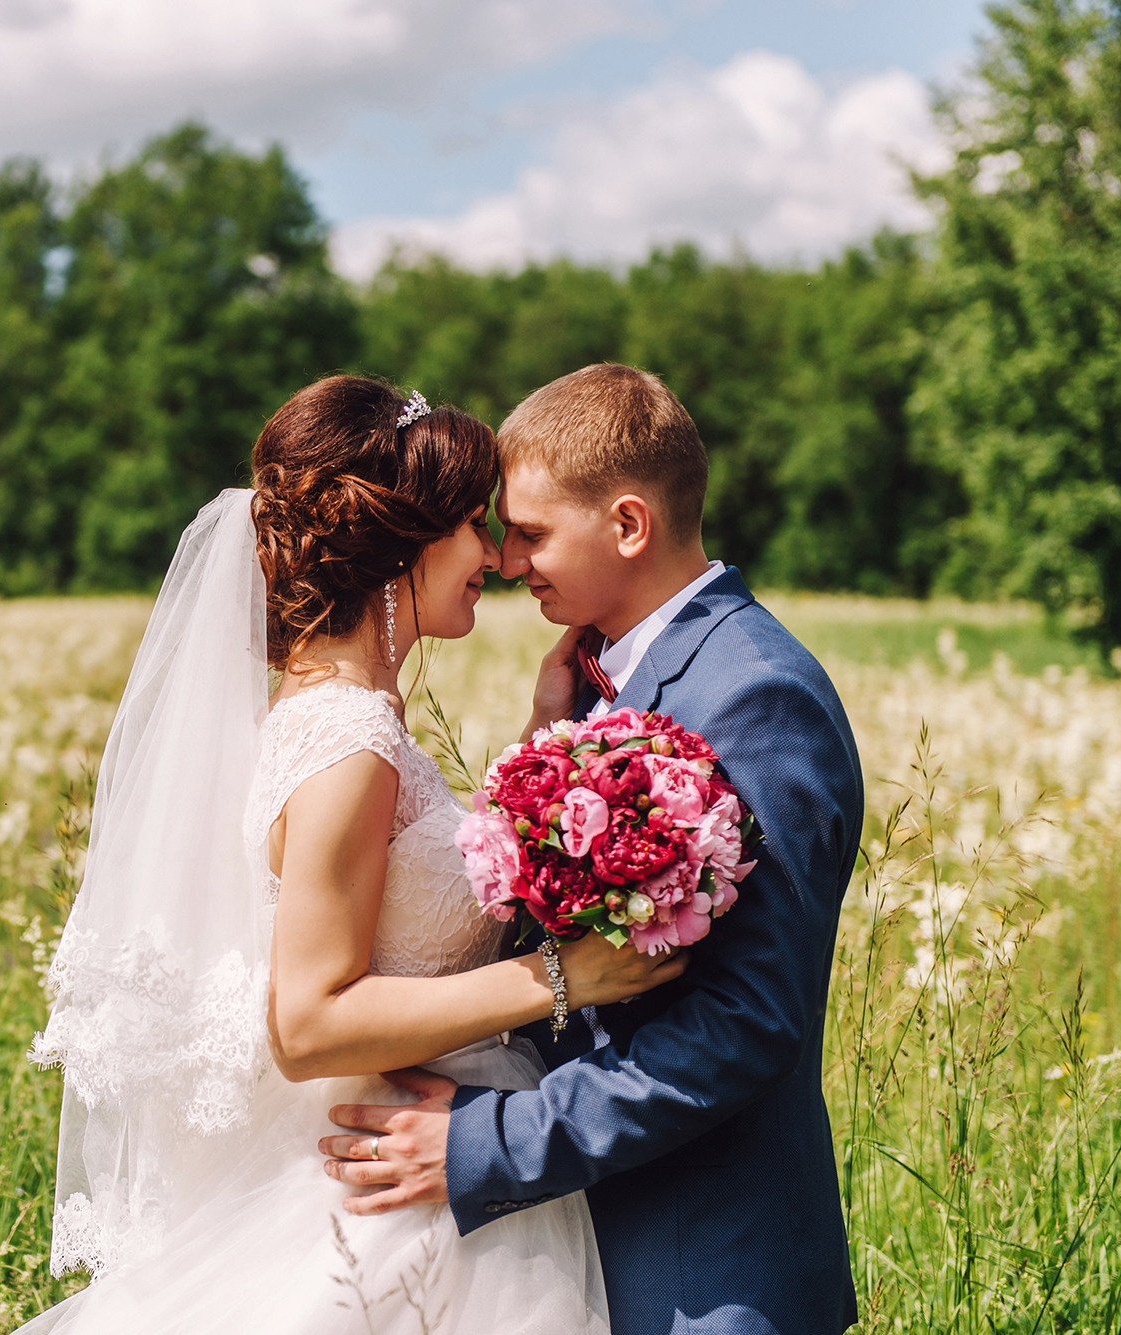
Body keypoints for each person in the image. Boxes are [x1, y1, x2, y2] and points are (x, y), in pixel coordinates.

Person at [15, 374, 684, 1333]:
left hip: (418, 1146)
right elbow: (309, 1022)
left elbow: (408, 891)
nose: (494, 558)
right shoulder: (350, 742)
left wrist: (544, 732)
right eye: (471, 525)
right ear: (404, 544)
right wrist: (564, 975)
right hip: (386, 1195)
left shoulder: (348, 717)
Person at [321, 364, 865, 1335]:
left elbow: (741, 1022)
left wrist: (482, 1143)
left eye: (529, 532)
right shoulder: (590, 684)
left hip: (701, 1262)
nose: (505, 558)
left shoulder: (752, 694)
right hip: (573, 1245)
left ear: (626, 524)